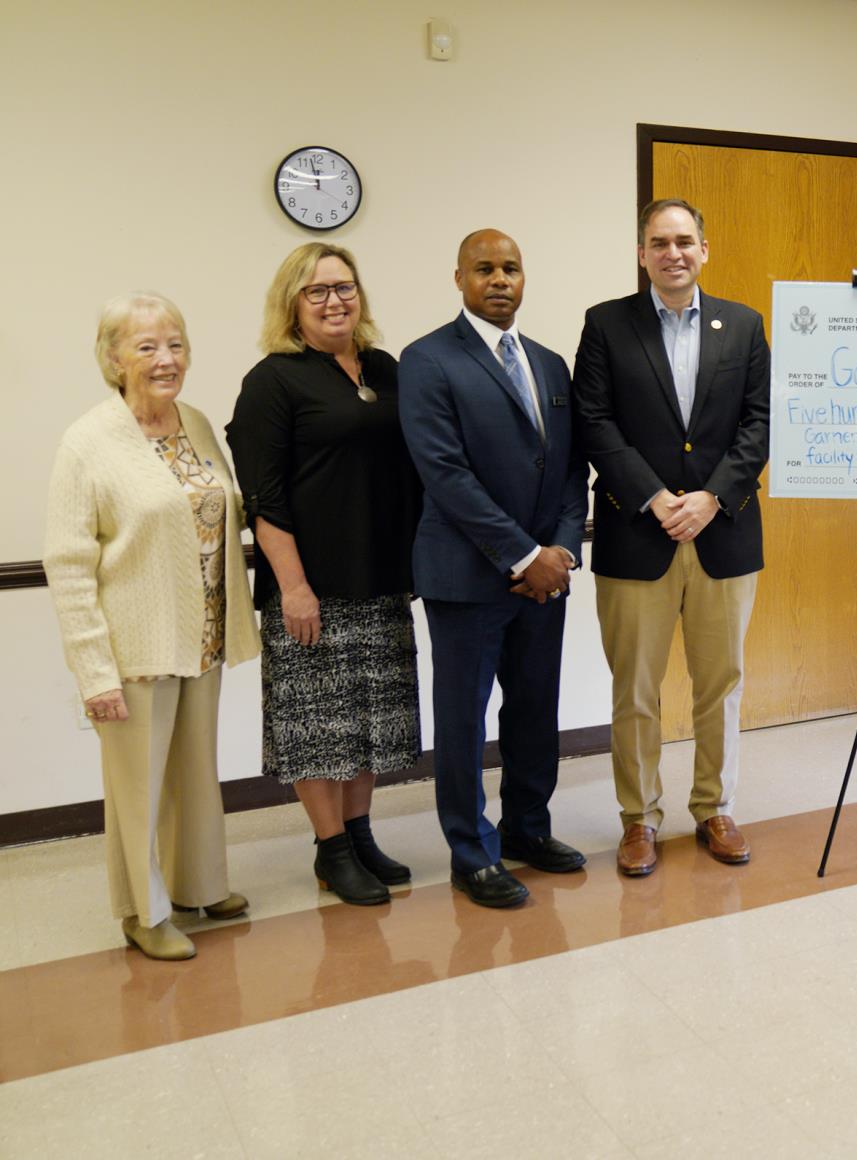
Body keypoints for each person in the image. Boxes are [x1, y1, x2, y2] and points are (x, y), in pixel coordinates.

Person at [45, 293, 260, 960]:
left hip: (202, 635)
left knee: (196, 771)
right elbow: (70, 563)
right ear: (113, 359)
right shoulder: (87, 442)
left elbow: (224, 509)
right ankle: (143, 912)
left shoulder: (194, 422)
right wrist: (93, 670)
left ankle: (201, 883)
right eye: (146, 347)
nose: (166, 359)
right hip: (135, 643)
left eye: (175, 344)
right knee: (138, 786)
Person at [572, 198, 770, 877]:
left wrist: (712, 497)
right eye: (659, 242)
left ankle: (715, 806)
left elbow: (759, 422)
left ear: (704, 249)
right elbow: (593, 422)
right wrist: (656, 497)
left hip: (724, 534)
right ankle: (640, 819)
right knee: (636, 690)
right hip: (638, 534)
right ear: (641, 253)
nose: (673, 253)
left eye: (684, 240)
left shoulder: (743, 325)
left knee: (723, 684)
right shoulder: (606, 325)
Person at [228, 243, 423, 907]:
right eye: (317, 291)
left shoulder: (385, 368)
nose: (335, 300)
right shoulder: (273, 381)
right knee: (317, 726)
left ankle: (361, 835)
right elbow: (264, 498)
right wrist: (295, 588)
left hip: (380, 577)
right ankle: (331, 849)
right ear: (292, 304)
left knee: (370, 720)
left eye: (344, 287)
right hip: (312, 585)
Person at [398, 229, 589, 908]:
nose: (500, 279)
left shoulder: (548, 363)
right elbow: (445, 475)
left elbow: (571, 468)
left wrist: (562, 550)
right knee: (463, 720)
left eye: (511, 268)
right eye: (485, 269)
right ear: (459, 279)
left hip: (546, 579)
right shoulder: (425, 360)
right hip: (466, 577)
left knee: (536, 712)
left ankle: (526, 831)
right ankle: (470, 851)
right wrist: (523, 555)